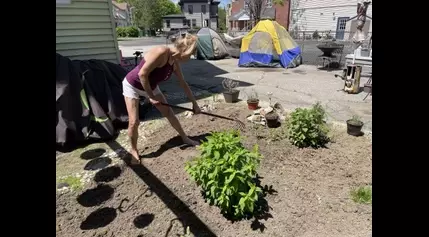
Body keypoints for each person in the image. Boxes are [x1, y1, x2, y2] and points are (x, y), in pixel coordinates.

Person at [122, 33, 201, 164]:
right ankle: (134, 150)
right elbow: (142, 74)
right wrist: (151, 97)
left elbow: (183, 83)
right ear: (184, 49)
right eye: (191, 53)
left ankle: (184, 138)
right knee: (134, 121)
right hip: (133, 85)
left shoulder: (174, 62)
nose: (191, 56)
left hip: (150, 87)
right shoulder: (161, 52)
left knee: (169, 113)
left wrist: (194, 104)